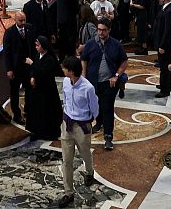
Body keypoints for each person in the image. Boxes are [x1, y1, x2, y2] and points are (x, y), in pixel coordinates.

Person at [80, 17, 128, 150]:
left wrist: (116, 75)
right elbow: (83, 59)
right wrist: (83, 76)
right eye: (99, 30)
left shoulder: (116, 45)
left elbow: (124, 61)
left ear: (109, 30)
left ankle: (108, 136)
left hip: (109, 83)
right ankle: (98, 123)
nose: (100, 33)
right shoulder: (90, 44)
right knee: (95, 105)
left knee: (107, 108)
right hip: (93, 82)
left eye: (104, 30)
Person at [57, 56, 98, 208]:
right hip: (67, 124)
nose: (62, 70)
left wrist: (88, 121)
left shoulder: (88, 88)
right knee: (66, 160)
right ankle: (68, 193)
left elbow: (95, 108)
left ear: (72, 71)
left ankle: (89, 171)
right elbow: (66, 98)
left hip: (82, 126)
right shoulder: (66, 82)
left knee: (85, 153)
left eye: (65, 68)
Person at [25, 36, 62, 141]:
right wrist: (32, 76)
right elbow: (35, 71)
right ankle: (37, 131)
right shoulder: (38, 55)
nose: (36, 47)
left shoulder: (50, 59)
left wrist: (32, 64)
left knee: (47, 112)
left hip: (47, 90)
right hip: (37, 89)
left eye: (38, 45)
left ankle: (48, 133)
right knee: (36, 111)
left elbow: (43, 72)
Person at [3, 11, 33, 125]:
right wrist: (9, 69)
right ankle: (17, 115)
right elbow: (7, 52)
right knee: (14, 92)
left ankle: (28, 110)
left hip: (28, 66)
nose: (23, 22)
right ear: (15, 20)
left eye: (24, 20)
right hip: (16, 68)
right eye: (21, 20)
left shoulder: (29, 28)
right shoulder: (9, 33)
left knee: (29, 89)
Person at [154, 0, 171, 98]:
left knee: (165, 67)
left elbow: (168, 30)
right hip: (161, 42)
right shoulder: (166, 8)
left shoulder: (170, 11)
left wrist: (162, 45)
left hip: (165, 45)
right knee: (162, 66)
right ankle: (163, 84)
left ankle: (165, 90)